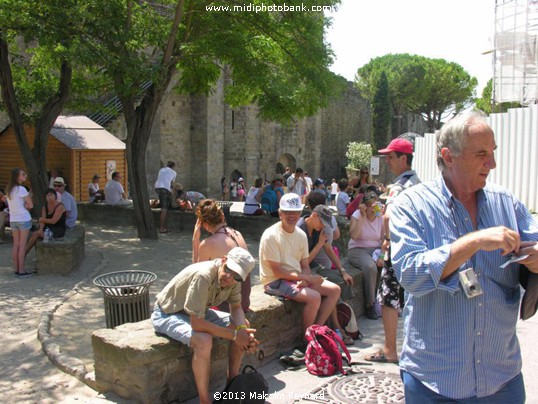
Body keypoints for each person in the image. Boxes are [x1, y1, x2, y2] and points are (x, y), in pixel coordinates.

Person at [391, 112, 538, 403]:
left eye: (493, 153)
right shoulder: (412, 205)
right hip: (435, 381)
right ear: (448, 156)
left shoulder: (506, 202)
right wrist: (473, 242)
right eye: (481, 154)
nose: (492, 164)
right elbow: (410, 274)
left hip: (502, 378)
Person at [151, 247, 258, 404]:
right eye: (228, 269)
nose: (229, 277)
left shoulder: (235, 281)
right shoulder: (204, 276)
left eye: (236, 276)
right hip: (169, 313)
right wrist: (235, 336)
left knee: (243, 326)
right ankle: (204, 400)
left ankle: (232, 386)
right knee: (204, 340)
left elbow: (236, 307)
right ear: (223, 260)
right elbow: (197, 323)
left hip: (196, 311)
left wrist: (243, 332)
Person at [365, 137, 420, 364]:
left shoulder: (398, 186)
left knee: (389, 298)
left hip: (397, 250)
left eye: (391, 156)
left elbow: (388, 216)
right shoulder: (418, 182)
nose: (387, 161)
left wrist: (386, 239)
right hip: (415, 248)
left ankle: (390, 350)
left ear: (403, 158)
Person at [259, 193, 341, 337]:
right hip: (275, 281)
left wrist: (305, 277)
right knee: (314, 297)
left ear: (300, 213)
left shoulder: (300, 235)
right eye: (287, 212)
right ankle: (307, 339)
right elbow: (277, 272)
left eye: (295, 212)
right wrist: (306, 278)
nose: (292, 216)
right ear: (280, 213)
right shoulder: (271, 235)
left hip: (294, 277)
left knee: (335, 290)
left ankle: (316, 331)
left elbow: (305, 264)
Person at [297, 202, 355, 345]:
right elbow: (302, 263)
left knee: (343, 282)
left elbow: (328, 248)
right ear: (314, 216)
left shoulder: (317, 228)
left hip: (315, 267)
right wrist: (318, 245)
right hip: (302, 270)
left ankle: (329, 327)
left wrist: (343, 271)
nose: (323, 226)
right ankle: (333, 328)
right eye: (322, 222)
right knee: (333, 289)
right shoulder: (300, 230)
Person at [193, 199, 252, 312]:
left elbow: (196, 274)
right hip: (244, 301)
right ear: (223, 216)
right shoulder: (237, 233)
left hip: (227, 306)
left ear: (205, 224)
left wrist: (195, 239)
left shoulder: (207, 244)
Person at [347, 191, 384, 320]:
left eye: (377, 205)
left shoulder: (381, 217)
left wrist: (382, 256)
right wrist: (363, 217)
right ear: (365, 207)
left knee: (389, 264)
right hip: (358, 249)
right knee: (370, 267)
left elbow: (384, 239)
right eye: (372, 206)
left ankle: (389, 301)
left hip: (376, 249)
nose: (375, 209)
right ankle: (370, 304)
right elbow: (354, 236)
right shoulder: (357, 216)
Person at [6, 168, 33, 277]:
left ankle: (16, 269)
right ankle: (22, 270)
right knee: (22, 245)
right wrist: (27, 202)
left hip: (13, 219)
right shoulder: (21, 189)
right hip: (23, 218)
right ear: (17, 177)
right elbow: (30, 205)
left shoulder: (9, 189)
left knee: (16, 245)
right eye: (23, 174)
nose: (25, 175)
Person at [25, 188, 66, 256]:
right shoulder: (45, 207)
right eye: (47, 196)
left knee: (35, 234)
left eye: (51, 195)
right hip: (48, 228)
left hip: (58, 229)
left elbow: (53, 221)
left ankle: (24, 253)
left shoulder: (60, 206)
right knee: (36, 235)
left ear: (55, 196)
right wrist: (41, 229)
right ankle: (37, 256)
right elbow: (43, 220)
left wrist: (41, 220)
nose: (49, 197)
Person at [154, 161, 177, 234]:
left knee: (164, 204)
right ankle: (162, 228)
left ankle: (163, 225)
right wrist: (174, 193)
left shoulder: (161, 170)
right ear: (173, 166)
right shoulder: (174, 172)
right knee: (164, 209)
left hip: (157, 187)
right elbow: (172, 184)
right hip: (165, 188)